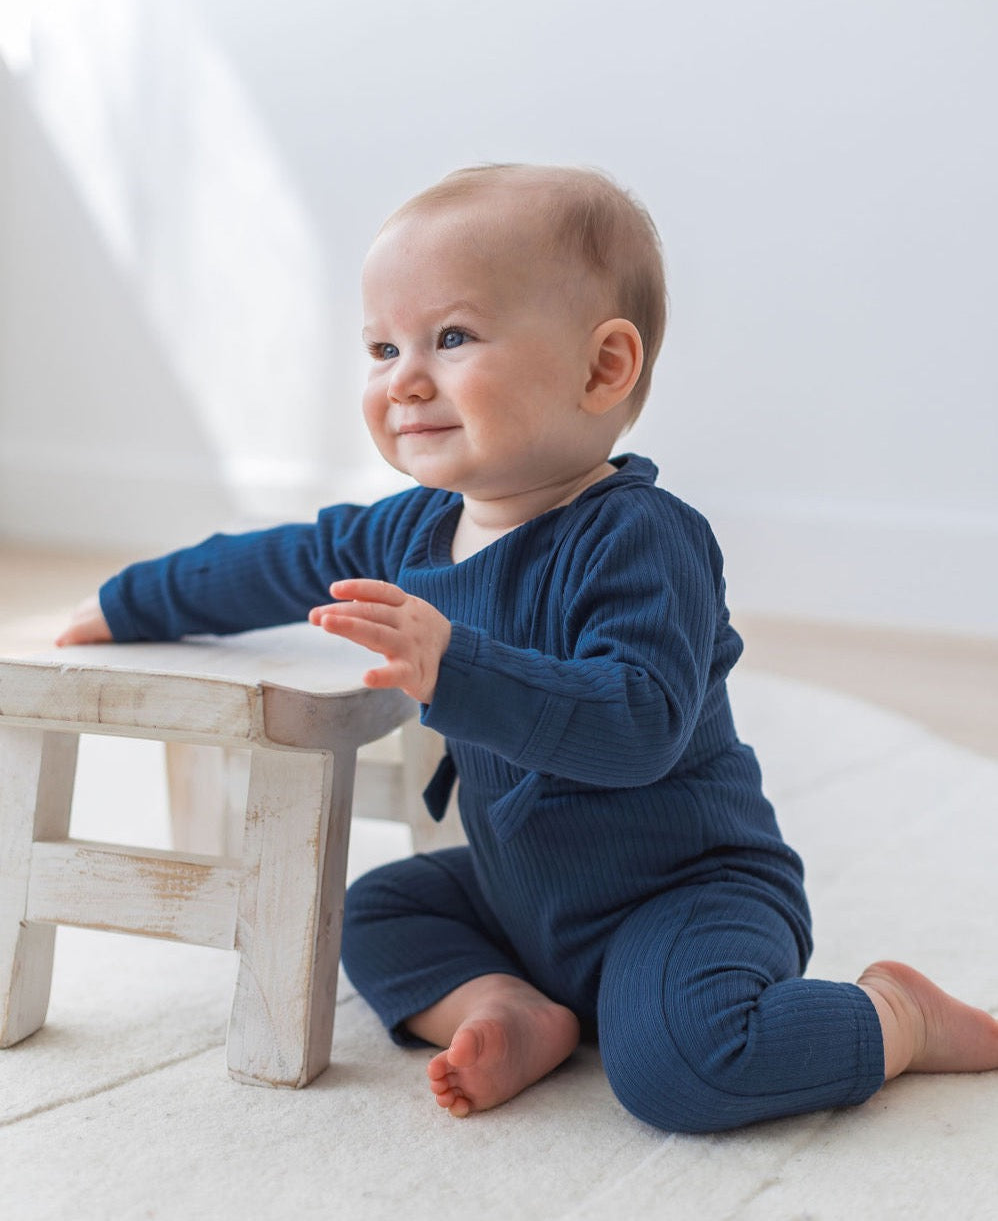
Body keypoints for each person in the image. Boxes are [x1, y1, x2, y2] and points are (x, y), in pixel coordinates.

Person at [57, 164, 998, 1132]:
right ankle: (505, 1005)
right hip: (519, 891)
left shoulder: (641, 536)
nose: (404, 378)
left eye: (451, 338)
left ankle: (895, 1017)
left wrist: (453, 665)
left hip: (679, 893)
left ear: (601, 368)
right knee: (370, 912)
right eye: (382, 347)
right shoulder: (411, 530)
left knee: (688, 1068)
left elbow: (636, 727)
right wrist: (127, 600)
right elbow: (285, 559)